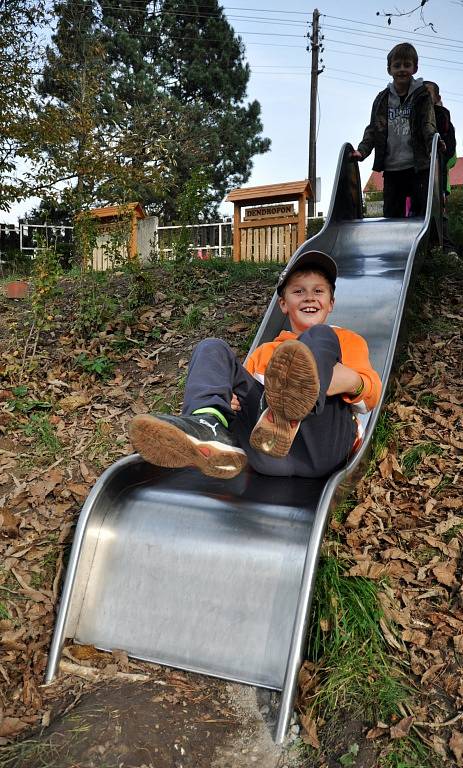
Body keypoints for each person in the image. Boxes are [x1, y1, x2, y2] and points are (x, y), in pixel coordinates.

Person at [129, 250, 382, 480]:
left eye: (318, 291)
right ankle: (208, 427)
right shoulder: (265, 352)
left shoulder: (344, 340)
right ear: (283, 304)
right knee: (211, 347)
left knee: (320, 336)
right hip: (269, 452)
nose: (309, 298)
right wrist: (230, 402)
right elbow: (247, 400)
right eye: (298, 291)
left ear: (331, 303)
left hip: (324, 447)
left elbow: (370, 396)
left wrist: (346, 381)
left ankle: (298, 402)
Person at [351, 42, 439, 218]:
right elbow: (373, 129)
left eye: (407, 65)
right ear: (389, 69)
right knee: (392, 214)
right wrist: (362, 151)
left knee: (422, 213)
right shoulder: (382, 99)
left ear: (415, 68)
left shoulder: (422, 96)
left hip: (417, 167)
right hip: (392, 169)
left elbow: (428, 124)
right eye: (397, 65)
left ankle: (425, 245)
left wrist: (434, 145)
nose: (402, 69)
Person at [424, 80, 458, 255]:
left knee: (439, 213)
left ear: (437, 98)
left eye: (428, 94)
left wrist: (441, 161)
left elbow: (451, 154)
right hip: (420, 176)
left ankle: (447, 250)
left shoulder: (442, 117)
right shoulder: (417, 116)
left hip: (439, 177)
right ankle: (430, 249)